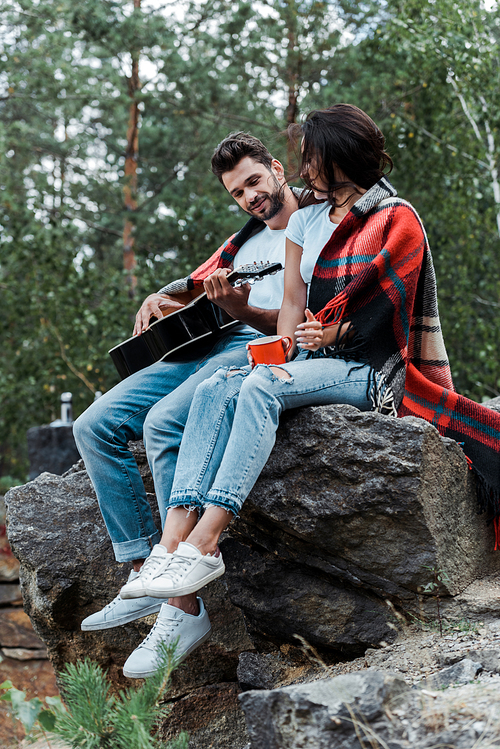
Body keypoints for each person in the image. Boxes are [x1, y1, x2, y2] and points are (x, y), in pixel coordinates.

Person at [119, 102, 444, 678]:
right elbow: (291, 318)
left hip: (370, 367)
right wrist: (292, 342)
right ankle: (171, 549)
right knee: (221, 381)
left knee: (261, 385)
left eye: (313, 159)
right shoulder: (302, 223)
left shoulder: (397, 217)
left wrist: (330, 331)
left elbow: (386, 319)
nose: (306, 170)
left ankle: (205, 544)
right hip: (315, 358)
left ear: (339, 156)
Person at [74, 133, 300, 657]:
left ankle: (181, 608)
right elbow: (196, 284)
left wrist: (244, 311)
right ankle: (141, 571)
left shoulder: (313, 227)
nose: (249, 196)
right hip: (207, 338)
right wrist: (166, 295)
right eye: (237, 192)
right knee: (93, 425)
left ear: (278, 169)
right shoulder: (242, 240)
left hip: (254, 343)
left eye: (254, 182)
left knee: (163, 422)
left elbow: (304, 317)